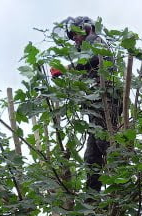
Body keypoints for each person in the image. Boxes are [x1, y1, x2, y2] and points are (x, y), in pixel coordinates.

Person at [52, 16, 123, 192]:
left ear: (86, 28)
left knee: (105, 140)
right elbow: (81, 74)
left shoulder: (94, 41)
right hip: (94, 106)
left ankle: (122, 182)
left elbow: (94, 59)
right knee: (91, 157)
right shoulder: (83, 52)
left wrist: (67, 68)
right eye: (72, 36)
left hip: (106, 99)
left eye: (76, 34)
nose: (75, 38)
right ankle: (90, 201)